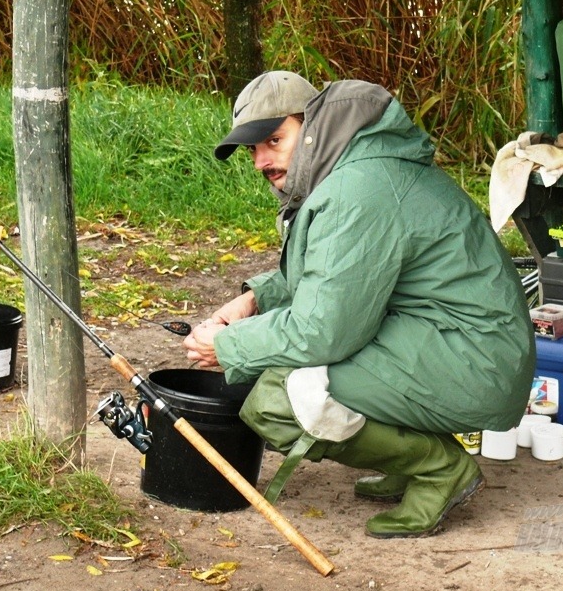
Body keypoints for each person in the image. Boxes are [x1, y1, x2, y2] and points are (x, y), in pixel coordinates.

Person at [183, 70, 536, 539]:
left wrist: (227, 347)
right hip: (463, 344)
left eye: (273, 139)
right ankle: (411, 456)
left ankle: (439, 467)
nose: (260, 161)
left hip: (473, 361)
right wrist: (255, 298)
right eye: (253, 149)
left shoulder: (358, 191)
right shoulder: (362, 169)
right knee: (303, 363)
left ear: (314, 127)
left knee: (278, 397)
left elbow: (324, 330)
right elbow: (340, 278)